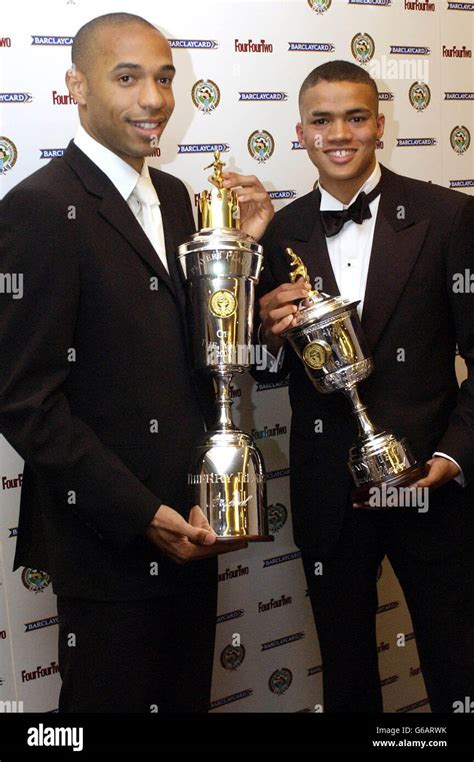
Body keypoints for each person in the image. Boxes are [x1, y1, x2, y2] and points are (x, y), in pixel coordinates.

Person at [0, 12, 273, 713]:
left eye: (163, 77)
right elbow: (24, 398)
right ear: (76, 88)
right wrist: (140, 511)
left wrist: (240, 260)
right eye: (127, 77)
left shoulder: (180, 198)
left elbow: (205, 355)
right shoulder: (40, 207)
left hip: (196, 518)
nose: (153, 97)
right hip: (108, 537)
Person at [256, 60, 474, 712]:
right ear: (301, 132)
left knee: (458, 667)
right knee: (347, 675)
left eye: (355, 116)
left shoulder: (450, 216)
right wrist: (266, 333)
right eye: (322, 120)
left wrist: (451, 458)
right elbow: (271, 371)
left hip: (430, 483)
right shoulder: (280, 233)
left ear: (380, 125)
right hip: (330, 490)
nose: (339, 132)